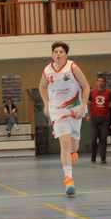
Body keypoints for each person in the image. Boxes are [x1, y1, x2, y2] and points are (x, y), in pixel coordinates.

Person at [40, 42, 90, 196]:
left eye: (61, 51)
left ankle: (74, 152)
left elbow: (86, 86)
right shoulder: (47, 70)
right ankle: (69, 180)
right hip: (57, 110)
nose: (58, 54)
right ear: (52, 54)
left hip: (75, 108)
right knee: (65, 143)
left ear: (66, 54)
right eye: (55, 51)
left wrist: (83, 105)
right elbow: (42, 87)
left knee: (74, 145)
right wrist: (46, 103)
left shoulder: (72, 67)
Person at [88, 75, 111, 164]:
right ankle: (93, 157)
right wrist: (87, 114)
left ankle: (103, 158)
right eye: (99, 81)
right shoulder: (92, 92)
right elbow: (88, 104)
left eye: (102, 81)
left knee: (103, 139)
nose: (100, 82)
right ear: (96, 82)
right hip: (94, 119)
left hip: (105, 119)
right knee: (93, 139)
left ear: (104, 83)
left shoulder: (108, 92)